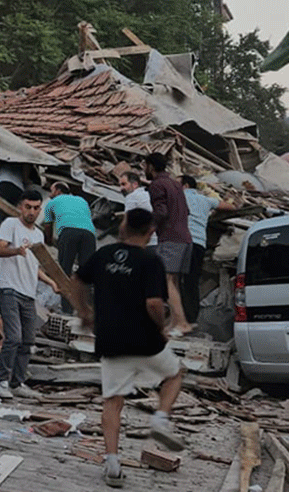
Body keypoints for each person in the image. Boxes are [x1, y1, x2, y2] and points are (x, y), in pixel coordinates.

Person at [76, 208, 186, 488]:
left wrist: (85, 313)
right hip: (146, 341)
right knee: (174, 375)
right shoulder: (151, 261)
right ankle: (160, 420)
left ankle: (112, 464)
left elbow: (77, 281)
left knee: (113, 402)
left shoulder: (103, 255)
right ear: (150, 231)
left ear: (124, 226)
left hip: (111, 340)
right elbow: (153, 303)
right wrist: (161, 326)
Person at [0, 189, 59, 399]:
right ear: (21, 207)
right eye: (28, 207)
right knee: (13, 336)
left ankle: (17, 382)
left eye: (36, 208)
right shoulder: (10, 225)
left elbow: (33, 266)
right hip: (9, 288)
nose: (31, 211)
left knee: (28, 340)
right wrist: (16, 251)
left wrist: (51, 282)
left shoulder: (38, 235)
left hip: (28, 292)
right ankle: (1, 381)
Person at [143, 153, 192, 335]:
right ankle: (173, 323)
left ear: (150, 166)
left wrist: (148, 229)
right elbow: (186, 211)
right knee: (174, 281)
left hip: (170, 238)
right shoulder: (176, 185)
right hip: (186, 238)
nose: (144, 170)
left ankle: (182, 323)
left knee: (166, 281)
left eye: (144, 166)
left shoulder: (157, 185)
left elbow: (161, 212)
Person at [180, 175, 236, 325]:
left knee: (175, 281)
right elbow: (230, 207)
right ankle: (191, 319)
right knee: (191, 282)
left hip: (182, 242)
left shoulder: (177, 197)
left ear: (184, 185)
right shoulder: (204, 200)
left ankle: (178, 318)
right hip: (198, 244)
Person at [41, 181, 96, 313]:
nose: (50, 194)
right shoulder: (81, 200)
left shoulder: (51, 203)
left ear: (58, 191)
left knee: (64, 272)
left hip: (68, 232)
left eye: (51, 190)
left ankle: (67, 310)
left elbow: (47, 225)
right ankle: (87, 311)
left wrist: (48, 241)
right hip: (89, 234)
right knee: (86, 274)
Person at [119, 171, 158, 248]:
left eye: (124, 184)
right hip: (156, 240)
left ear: (135, 184)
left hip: (145, 242)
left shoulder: (132, 196)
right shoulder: (146, 193)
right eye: (120, 185)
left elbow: (127, 222)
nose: (121, 188)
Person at [0, 162, 25, 238]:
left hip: (2, 185)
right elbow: (25, 179)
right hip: (18, 189)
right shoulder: (24, 162)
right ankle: (7, 238)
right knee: (11, 215)